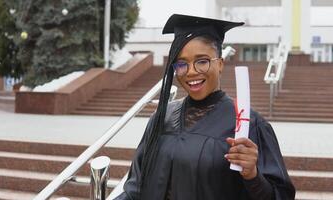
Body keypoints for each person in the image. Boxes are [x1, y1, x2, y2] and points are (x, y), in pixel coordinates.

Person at [114, 14, 295, 200]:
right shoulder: (161, 118)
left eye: (202, 61)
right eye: (182, 64)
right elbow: (135, 188)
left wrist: (253, 175)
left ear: (220, 64)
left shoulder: (249, 124)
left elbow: (280, 196)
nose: (191, 72)